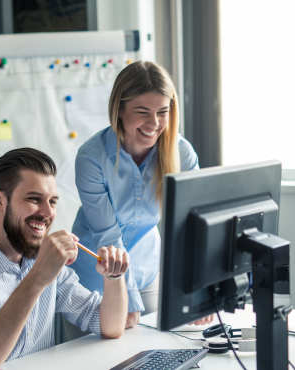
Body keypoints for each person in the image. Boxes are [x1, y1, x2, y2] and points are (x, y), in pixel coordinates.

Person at [0, 148, 130, 370]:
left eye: (52, 201)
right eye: (34, 199)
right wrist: (38, 278)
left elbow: (109, 326)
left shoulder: (41, 259)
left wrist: (114, 276)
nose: (47, 213)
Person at [69, 61, 213, 329]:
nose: (154, 123)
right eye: (142, 111)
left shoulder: (181, 154)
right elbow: (108, 238)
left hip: (147, 273)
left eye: (162, 112)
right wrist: (127, 302)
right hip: (93, 280)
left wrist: (197, 286)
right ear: (120, 109)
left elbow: (192, 227)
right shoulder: (92, 158)